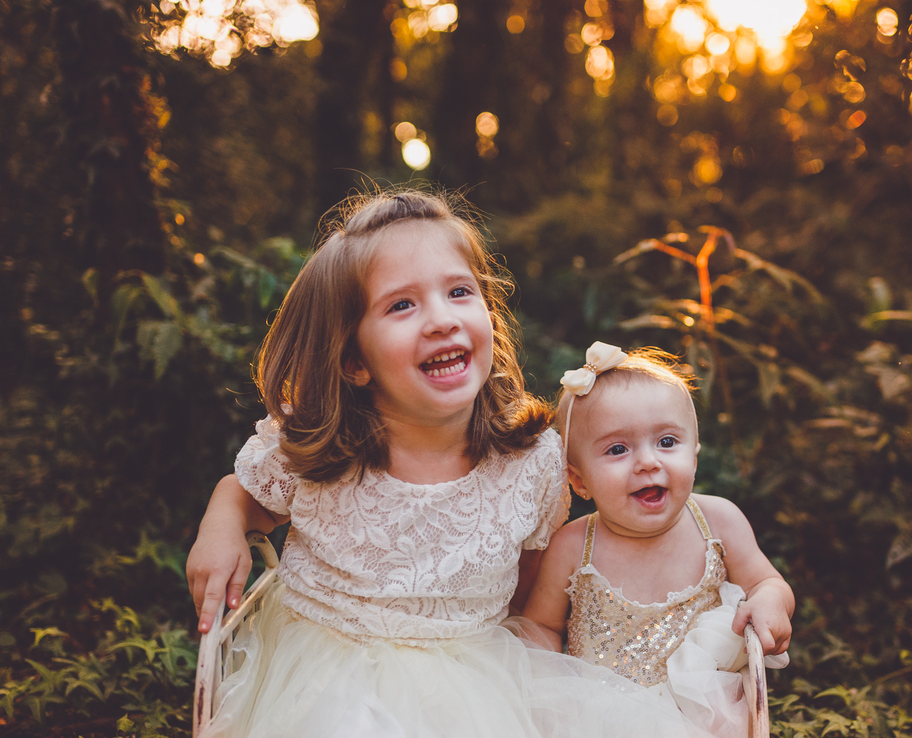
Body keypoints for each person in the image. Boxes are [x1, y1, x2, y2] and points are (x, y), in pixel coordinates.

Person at [185, 190, 708, 738]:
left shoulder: (530, 462)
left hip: (475, 676)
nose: (441, 320)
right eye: (401, 305)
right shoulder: (324, 446)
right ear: (355, 362)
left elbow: (527, 589)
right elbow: (247, 496)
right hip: (328, 667)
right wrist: (221, 525)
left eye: (459, 292)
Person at [513, 342, 795, 738]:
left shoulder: (718, 522)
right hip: (597, 721)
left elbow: (767, 582)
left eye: (666, 442)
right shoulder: (575, 545)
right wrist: (546, 695)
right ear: (579, 481)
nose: (648, 462)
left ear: (694, 454)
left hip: (701, 717)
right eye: (617, 449)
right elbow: (541, 626)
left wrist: (770, 600)